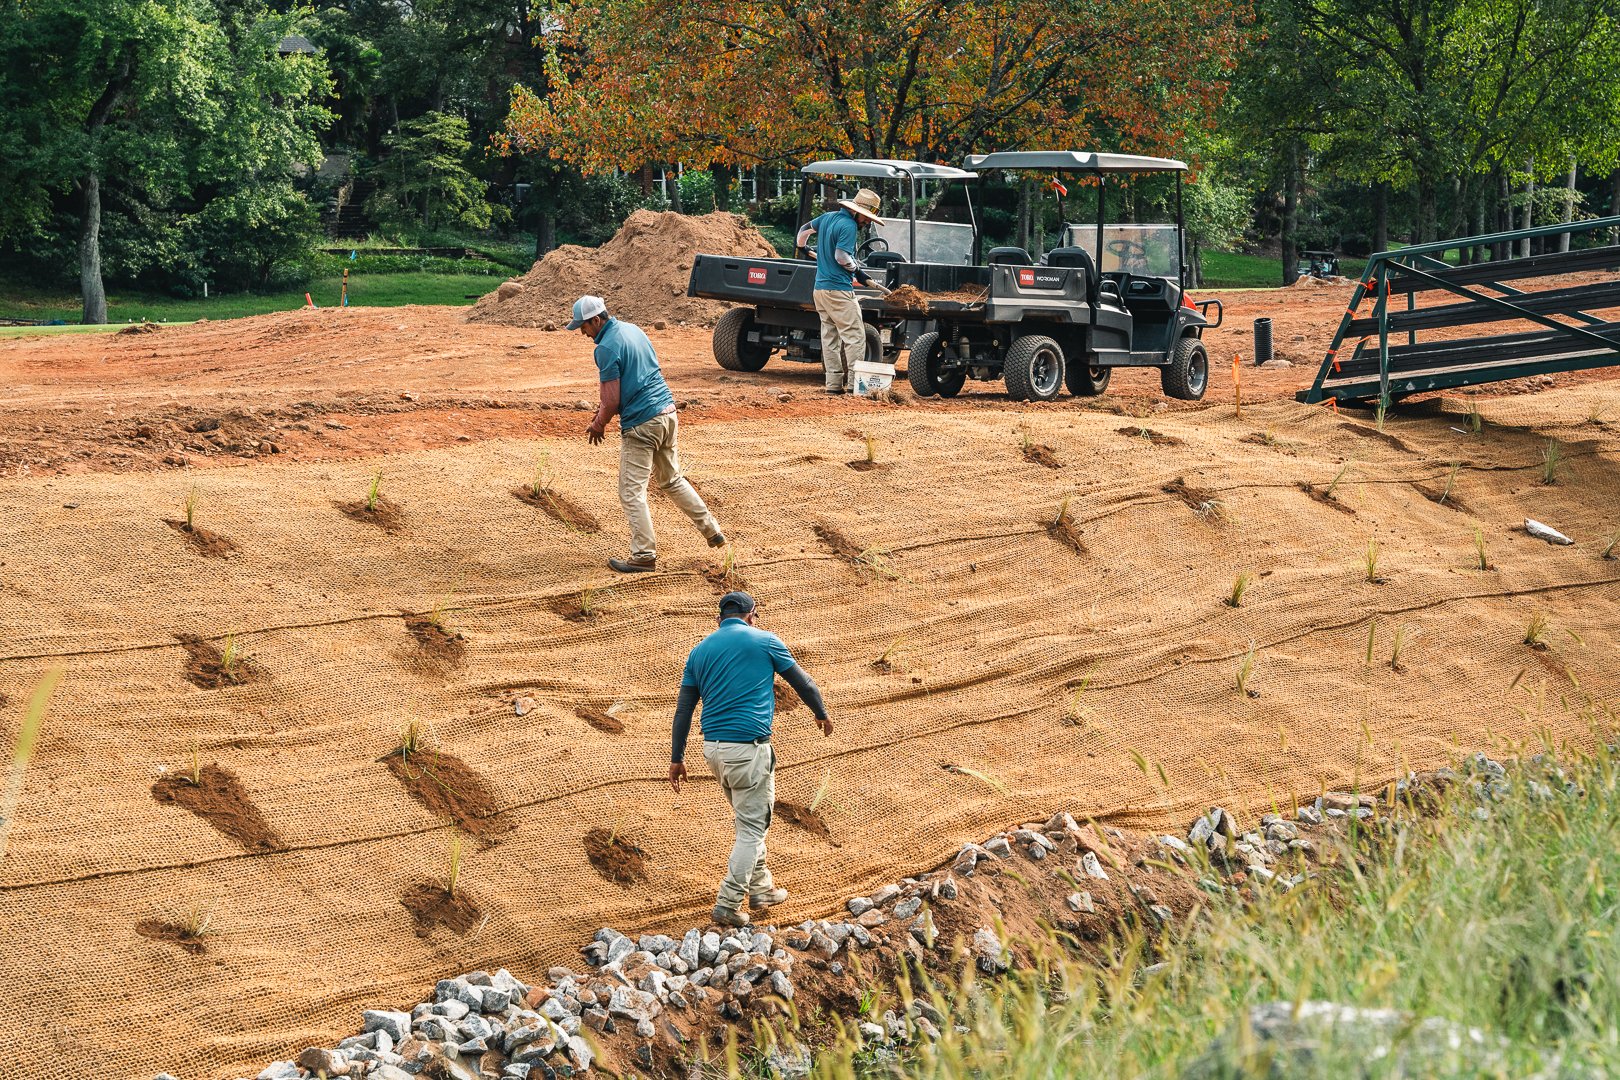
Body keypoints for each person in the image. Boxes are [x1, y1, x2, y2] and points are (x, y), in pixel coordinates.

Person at [669, 590, 832, 927]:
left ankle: (762, 890)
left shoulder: (699, 652)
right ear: (750, 616)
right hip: (748, 749)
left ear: (719, 619)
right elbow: (804, 683)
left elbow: (685, 708)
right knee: (752, 830)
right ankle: (728, 903)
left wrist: (677, 756)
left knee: (748, 821)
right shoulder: (765, 641)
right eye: (755, 617)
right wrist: (820, 713)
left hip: (713, 751)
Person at [569, 294, 725, 573]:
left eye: (583, 326)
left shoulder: (605, 347)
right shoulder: (633, 330)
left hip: (642, 424)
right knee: (672, 479)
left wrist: (598, 423)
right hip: (667, 413)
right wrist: (602, 412)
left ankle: (643, 555)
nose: (582, 332)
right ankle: (712, 530)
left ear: (596, 320)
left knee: (631, 492)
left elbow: (612, 400)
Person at [795, 187, 883, 395]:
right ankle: (855, 385)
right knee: (855, 336)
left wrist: (804, 249)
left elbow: (802, 233)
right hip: (839, 290)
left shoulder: (827, 218)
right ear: (858, 211)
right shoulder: (849, 226)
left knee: (830, 338)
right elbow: (842, 257)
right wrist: (859, 272)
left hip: (820, 290)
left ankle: (833, 385)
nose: (868, 221)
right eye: (867, 217)